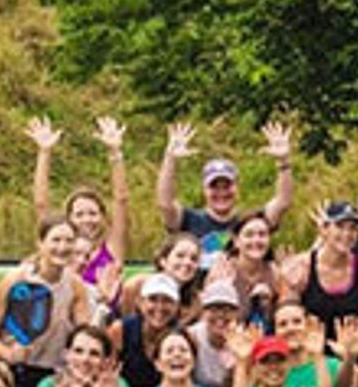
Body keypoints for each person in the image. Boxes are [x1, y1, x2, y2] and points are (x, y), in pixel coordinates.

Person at [0, 215, 93, 387]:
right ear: (40, 243)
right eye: (56, 240)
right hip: (16, 374)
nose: (62, 247)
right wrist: (9, 354)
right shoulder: (15, 280)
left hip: (53, 375)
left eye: (69, 241)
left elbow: (84, 334)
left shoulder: (76, 285)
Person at [156, 120, 295, 268]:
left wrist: (283, 162)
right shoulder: (189, 220)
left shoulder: (251, 222)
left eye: (227, 186)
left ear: (237, 188)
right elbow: (165, 204)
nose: (221, 193)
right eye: (214, 187)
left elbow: (283, 201)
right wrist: (170, 159)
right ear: (204, 190)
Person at [28, 115, 132, 289]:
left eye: (92, 213)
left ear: (103, 217)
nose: (86, 219)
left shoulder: (112, 249)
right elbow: (41, 203)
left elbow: (121, 200)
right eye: (79, 214)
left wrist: (115, 152)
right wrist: (44, 152)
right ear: (69, 218)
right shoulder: (59, 249)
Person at [281, 201, 358, 356]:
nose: (347, 234)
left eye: (353, 228)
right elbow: (285, 321)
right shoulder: (300, 268)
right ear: (324, 230)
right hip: (311, 357)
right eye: (339, 226)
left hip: (356, 357)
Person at [204, 214, 284, 329]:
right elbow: (209, 317)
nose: (256, 240)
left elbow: (282, 318)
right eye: (249, 235)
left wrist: (268, 305)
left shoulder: (275, 272)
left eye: (262, 235)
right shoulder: (222, 269)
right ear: (236, 241)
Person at [111, 273, 185, 387]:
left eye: (167, 301)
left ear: (177, 306)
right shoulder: (120, 329)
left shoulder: (183, 336)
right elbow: (109, 371)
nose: (159, 307)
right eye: (153, 299)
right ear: (141, 303)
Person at [120, 233, 203, 321]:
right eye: (180, 256)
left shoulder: (195, 303)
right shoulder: (136, 286)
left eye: (194, 259)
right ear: (163, 260)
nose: (187, 262)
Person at [188, 279, 244, 387]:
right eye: (214, 309)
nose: (220, 315)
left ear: (237, 314)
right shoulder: (191, 336)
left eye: (227, 310)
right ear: (203, 312)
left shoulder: (244, 341)